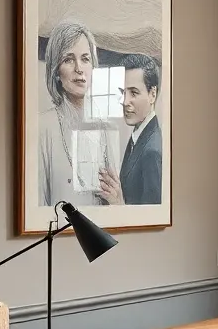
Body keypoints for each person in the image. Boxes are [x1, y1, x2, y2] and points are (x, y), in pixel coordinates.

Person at [37, 21, 119, 206]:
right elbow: (37, 208)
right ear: (56, 71)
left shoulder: (107, 128)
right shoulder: (42, 127)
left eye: (85, 59)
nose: (79, 69)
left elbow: (117, 207)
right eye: (68, 59)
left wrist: (118, 201)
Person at [98, 54, 162, 206]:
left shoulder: (152, 152)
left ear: (152, 94)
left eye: (134, 92)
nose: (125, 102)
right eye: (123, 92)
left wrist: (118, 203)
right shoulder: (139, 136)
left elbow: (152, 217)